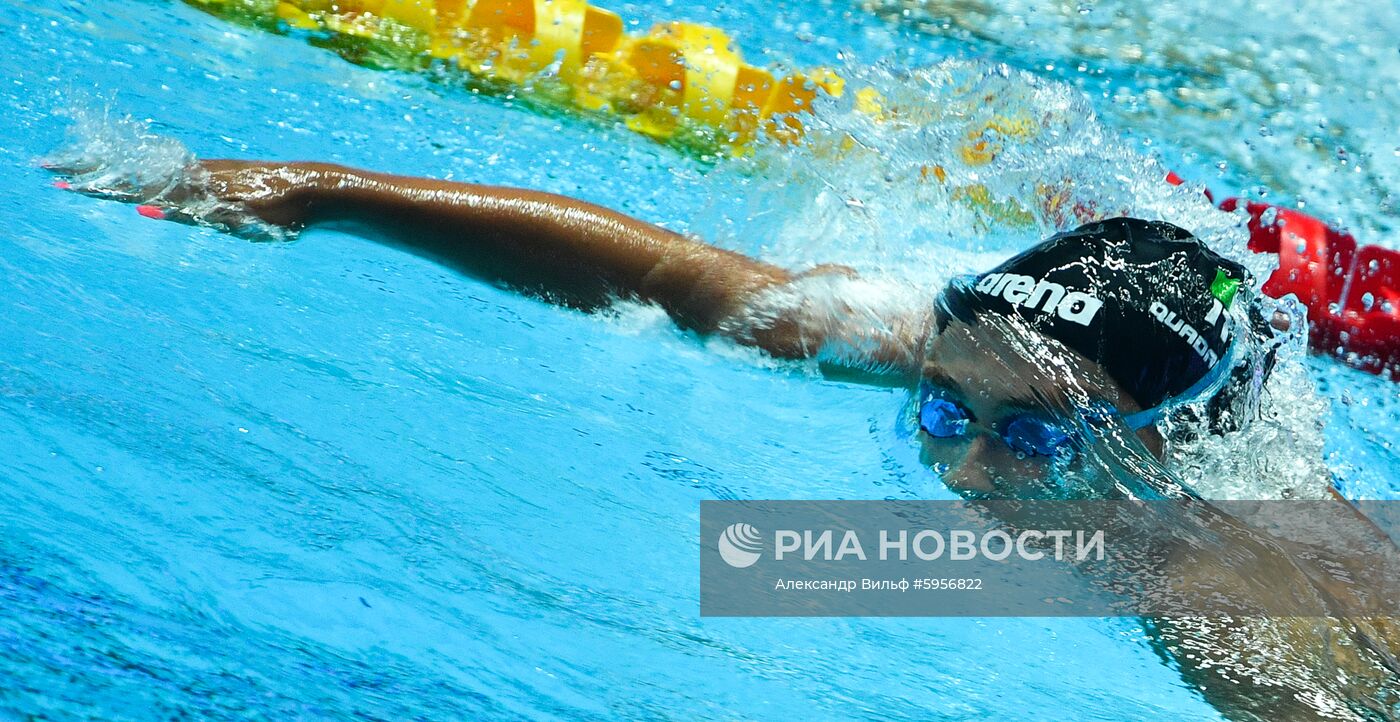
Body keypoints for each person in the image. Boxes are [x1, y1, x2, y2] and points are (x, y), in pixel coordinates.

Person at [52, 157, 1399, 720]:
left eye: (1032, 444)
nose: (969, 468)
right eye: (942, 411)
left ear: (1157, 453)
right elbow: (674, 279)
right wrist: (325, 196)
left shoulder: (1211, 582)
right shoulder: (950, 336)